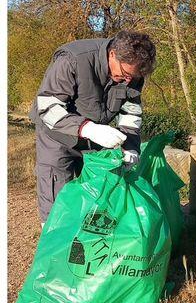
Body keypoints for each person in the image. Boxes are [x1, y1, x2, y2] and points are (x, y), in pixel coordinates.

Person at [30, 31, 157, 223]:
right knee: (56, 199)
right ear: (112, 54)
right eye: (124, 75)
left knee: (95, 197)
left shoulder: (133, 74)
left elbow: (131, 112)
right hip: (56, 136)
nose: (128, 80)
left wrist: (131, 146)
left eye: (134, 77)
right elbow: (47, 107)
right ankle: (54, 244)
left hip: (94, 139)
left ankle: (89, 244)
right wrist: (87, 129)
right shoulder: (73, 59)